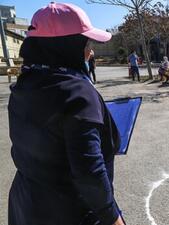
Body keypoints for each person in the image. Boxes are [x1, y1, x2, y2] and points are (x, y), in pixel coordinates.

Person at [8, 2, 124, 225]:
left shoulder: (24, 85)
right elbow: (89, 172)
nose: (90, 52)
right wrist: (113, 218)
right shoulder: (78, 92)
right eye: (86, 43)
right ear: (67, 45)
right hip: (69, 212)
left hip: (26, 205)